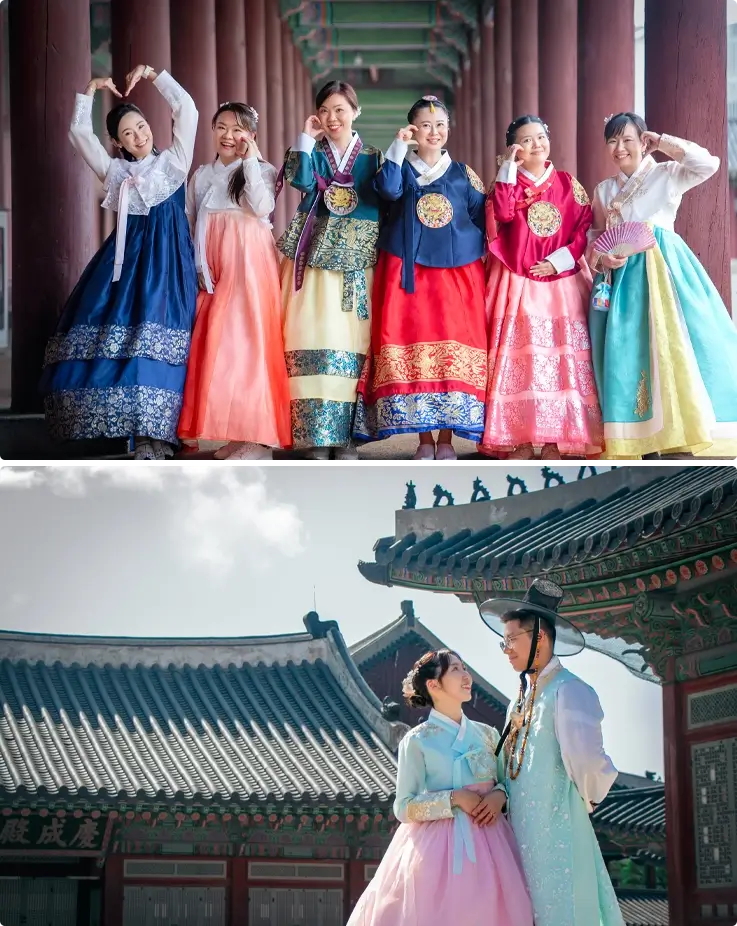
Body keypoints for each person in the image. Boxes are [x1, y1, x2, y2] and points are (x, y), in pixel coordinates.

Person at [40, 64, 198, 464]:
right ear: (117, 141)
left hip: (167, 265)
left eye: (142, 127)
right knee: (120, 339)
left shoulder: (176, 162)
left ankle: (158, 437)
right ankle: (131, 432)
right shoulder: (116, 172)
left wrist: (155, 76)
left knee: (158, 342)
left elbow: (188, 109)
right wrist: (89, 90)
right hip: (125, 264)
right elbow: (80, 135)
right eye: (128, 133)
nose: (139, 136)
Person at [587, 112, 737, 462]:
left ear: (643, 142)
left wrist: (664, 141)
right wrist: (603, 258)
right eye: (612, 141)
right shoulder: (605, 190)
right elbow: (596, 237)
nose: (619, 148)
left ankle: (682, 427)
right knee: (630, 348)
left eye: (627, 139)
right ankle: (639, 434)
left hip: (665, 267)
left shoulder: (667, 174)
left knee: (677, 342)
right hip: (623, 275)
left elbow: (708, 165)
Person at [347, 649, 533, 926]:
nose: (466, 675)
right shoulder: (417, 741)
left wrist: (499, 795)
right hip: (435, 849)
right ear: (434, 685)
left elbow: (508, 781)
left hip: (492, 843)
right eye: (456, 669)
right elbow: (403, 806)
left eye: (465, 667)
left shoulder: (488, 734)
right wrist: (454, 798)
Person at [477, 577, 624, 926]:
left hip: (558, 835)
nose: (506, 649)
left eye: (512, 639)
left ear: (539, 636)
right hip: (518, 838)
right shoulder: (519, 699)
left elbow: (588, 762)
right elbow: (508, 767)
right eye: (504, 642)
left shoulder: (569, 691)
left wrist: (574, 803)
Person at [353, 96, 487, 464]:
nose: (434, 132)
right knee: (412, 344)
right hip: (406, 271)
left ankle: (447, 439)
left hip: (456, 275)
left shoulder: (463, 173)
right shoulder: (397, 167)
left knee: (451, 349)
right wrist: (398, 147)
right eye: (425, 125)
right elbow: (389, 192)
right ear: (413, 129)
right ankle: (424, 439)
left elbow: (483, 217)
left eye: (440, 124)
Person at [482, 115, 603, 463]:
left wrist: (559, 261)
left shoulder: (568, 183)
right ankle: (519, 439)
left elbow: (582, 229)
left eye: (540, 137)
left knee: (559, 360)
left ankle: (555, 441)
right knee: (523, 359)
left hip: (560, 284)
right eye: (526, 140)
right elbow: (502, 214)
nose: (536, 145)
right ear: (514, 147)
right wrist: (507, 170)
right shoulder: (506, 182)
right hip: (517, 280)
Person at [177, 102, 291, 463]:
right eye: (221, 127)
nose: (228, 136)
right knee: (218, 346)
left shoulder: (264, 170)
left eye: (238, 129)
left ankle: (257, 440)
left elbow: (261, 207)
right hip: (212, 264)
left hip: (248, 262)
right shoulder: (200, 175)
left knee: (249, 344)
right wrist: (196, 262)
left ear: (251, 136)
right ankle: (235, 431)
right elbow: (190, 219)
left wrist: (252, 160)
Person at [278, 80, 383, 463]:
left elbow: (389, 194)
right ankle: (316, 438)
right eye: (325, 111)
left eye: (340, 109)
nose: (332, 118)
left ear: (356, 112)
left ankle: (347, 438)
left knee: (354, 347)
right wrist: (305, 140)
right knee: (309, 340)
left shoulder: (375, 157)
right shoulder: (309, 152)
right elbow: (301, 182)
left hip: (358, 265)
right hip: (313, 262)